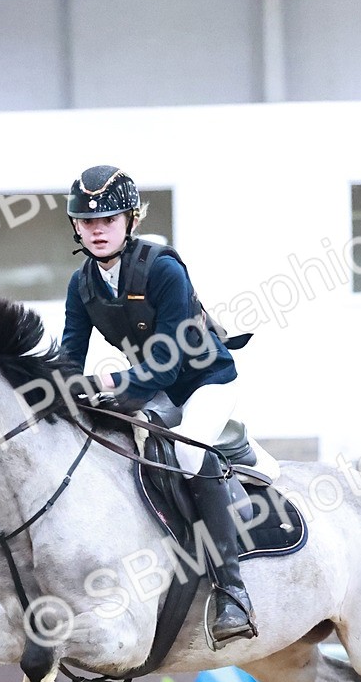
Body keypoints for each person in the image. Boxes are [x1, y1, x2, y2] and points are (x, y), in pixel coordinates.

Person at [61, 163, 261, 646]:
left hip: (205, 381)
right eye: (88, 222)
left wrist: (114, 381)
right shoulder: (82, 284)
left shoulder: (163, 268)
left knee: (190, 454)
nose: (97, 230)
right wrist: (60, 389)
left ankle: (232, 592)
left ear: (130, 220)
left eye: (108, 219)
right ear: (76, 228)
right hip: (155, 386)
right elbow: (69, 355)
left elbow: (168, 364)